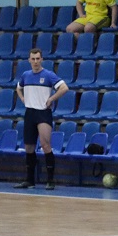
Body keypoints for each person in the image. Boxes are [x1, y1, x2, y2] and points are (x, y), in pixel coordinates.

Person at [14, 48, 69, 190]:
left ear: (42, 59)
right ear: (29, 60)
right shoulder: (26, 75)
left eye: (38, 59)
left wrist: (52, 98)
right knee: (29, 147)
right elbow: (18, 88)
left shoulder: (48, 75)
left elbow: (64, 88)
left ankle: (50, 180)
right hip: (30, 112)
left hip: (43, 113)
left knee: (45, 144)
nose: (35, 61)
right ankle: (30, 180)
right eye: (33, 59)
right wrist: (22, 98)